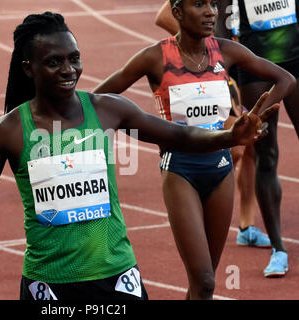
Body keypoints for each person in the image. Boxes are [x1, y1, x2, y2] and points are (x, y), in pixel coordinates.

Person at [0, 11, 276, 300]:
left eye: (74, 59)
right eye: (54, 61)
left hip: (116, 275)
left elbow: (179, 135)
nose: (68, 70)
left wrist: (230, 135)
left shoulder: (108, 111)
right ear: (29, 68)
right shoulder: (9, 130)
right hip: (50, 284)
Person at [93, 0, 295, 298]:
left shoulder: (226, 51)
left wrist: (253, 118)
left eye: (213, 4)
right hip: (180, 172)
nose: (211, 12)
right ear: (177, 12)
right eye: (199, 4)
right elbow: (97, 99)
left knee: (204, 285)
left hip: (221, 170)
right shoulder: (154, 58)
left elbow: (285, 78)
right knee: (204, 281)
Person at [156, 0, 270, 249]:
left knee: (249, 145)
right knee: (234, 146)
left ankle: (246, 224)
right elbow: (164, 15)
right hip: (217, 68)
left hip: (244, 64)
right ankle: (194, 202)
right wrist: (201, 41)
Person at [217, 0, 299, 277]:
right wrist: (222, 76)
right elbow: (223, 22)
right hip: (256, 65)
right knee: (267, 153)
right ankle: (279, 249)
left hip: (296, 55)